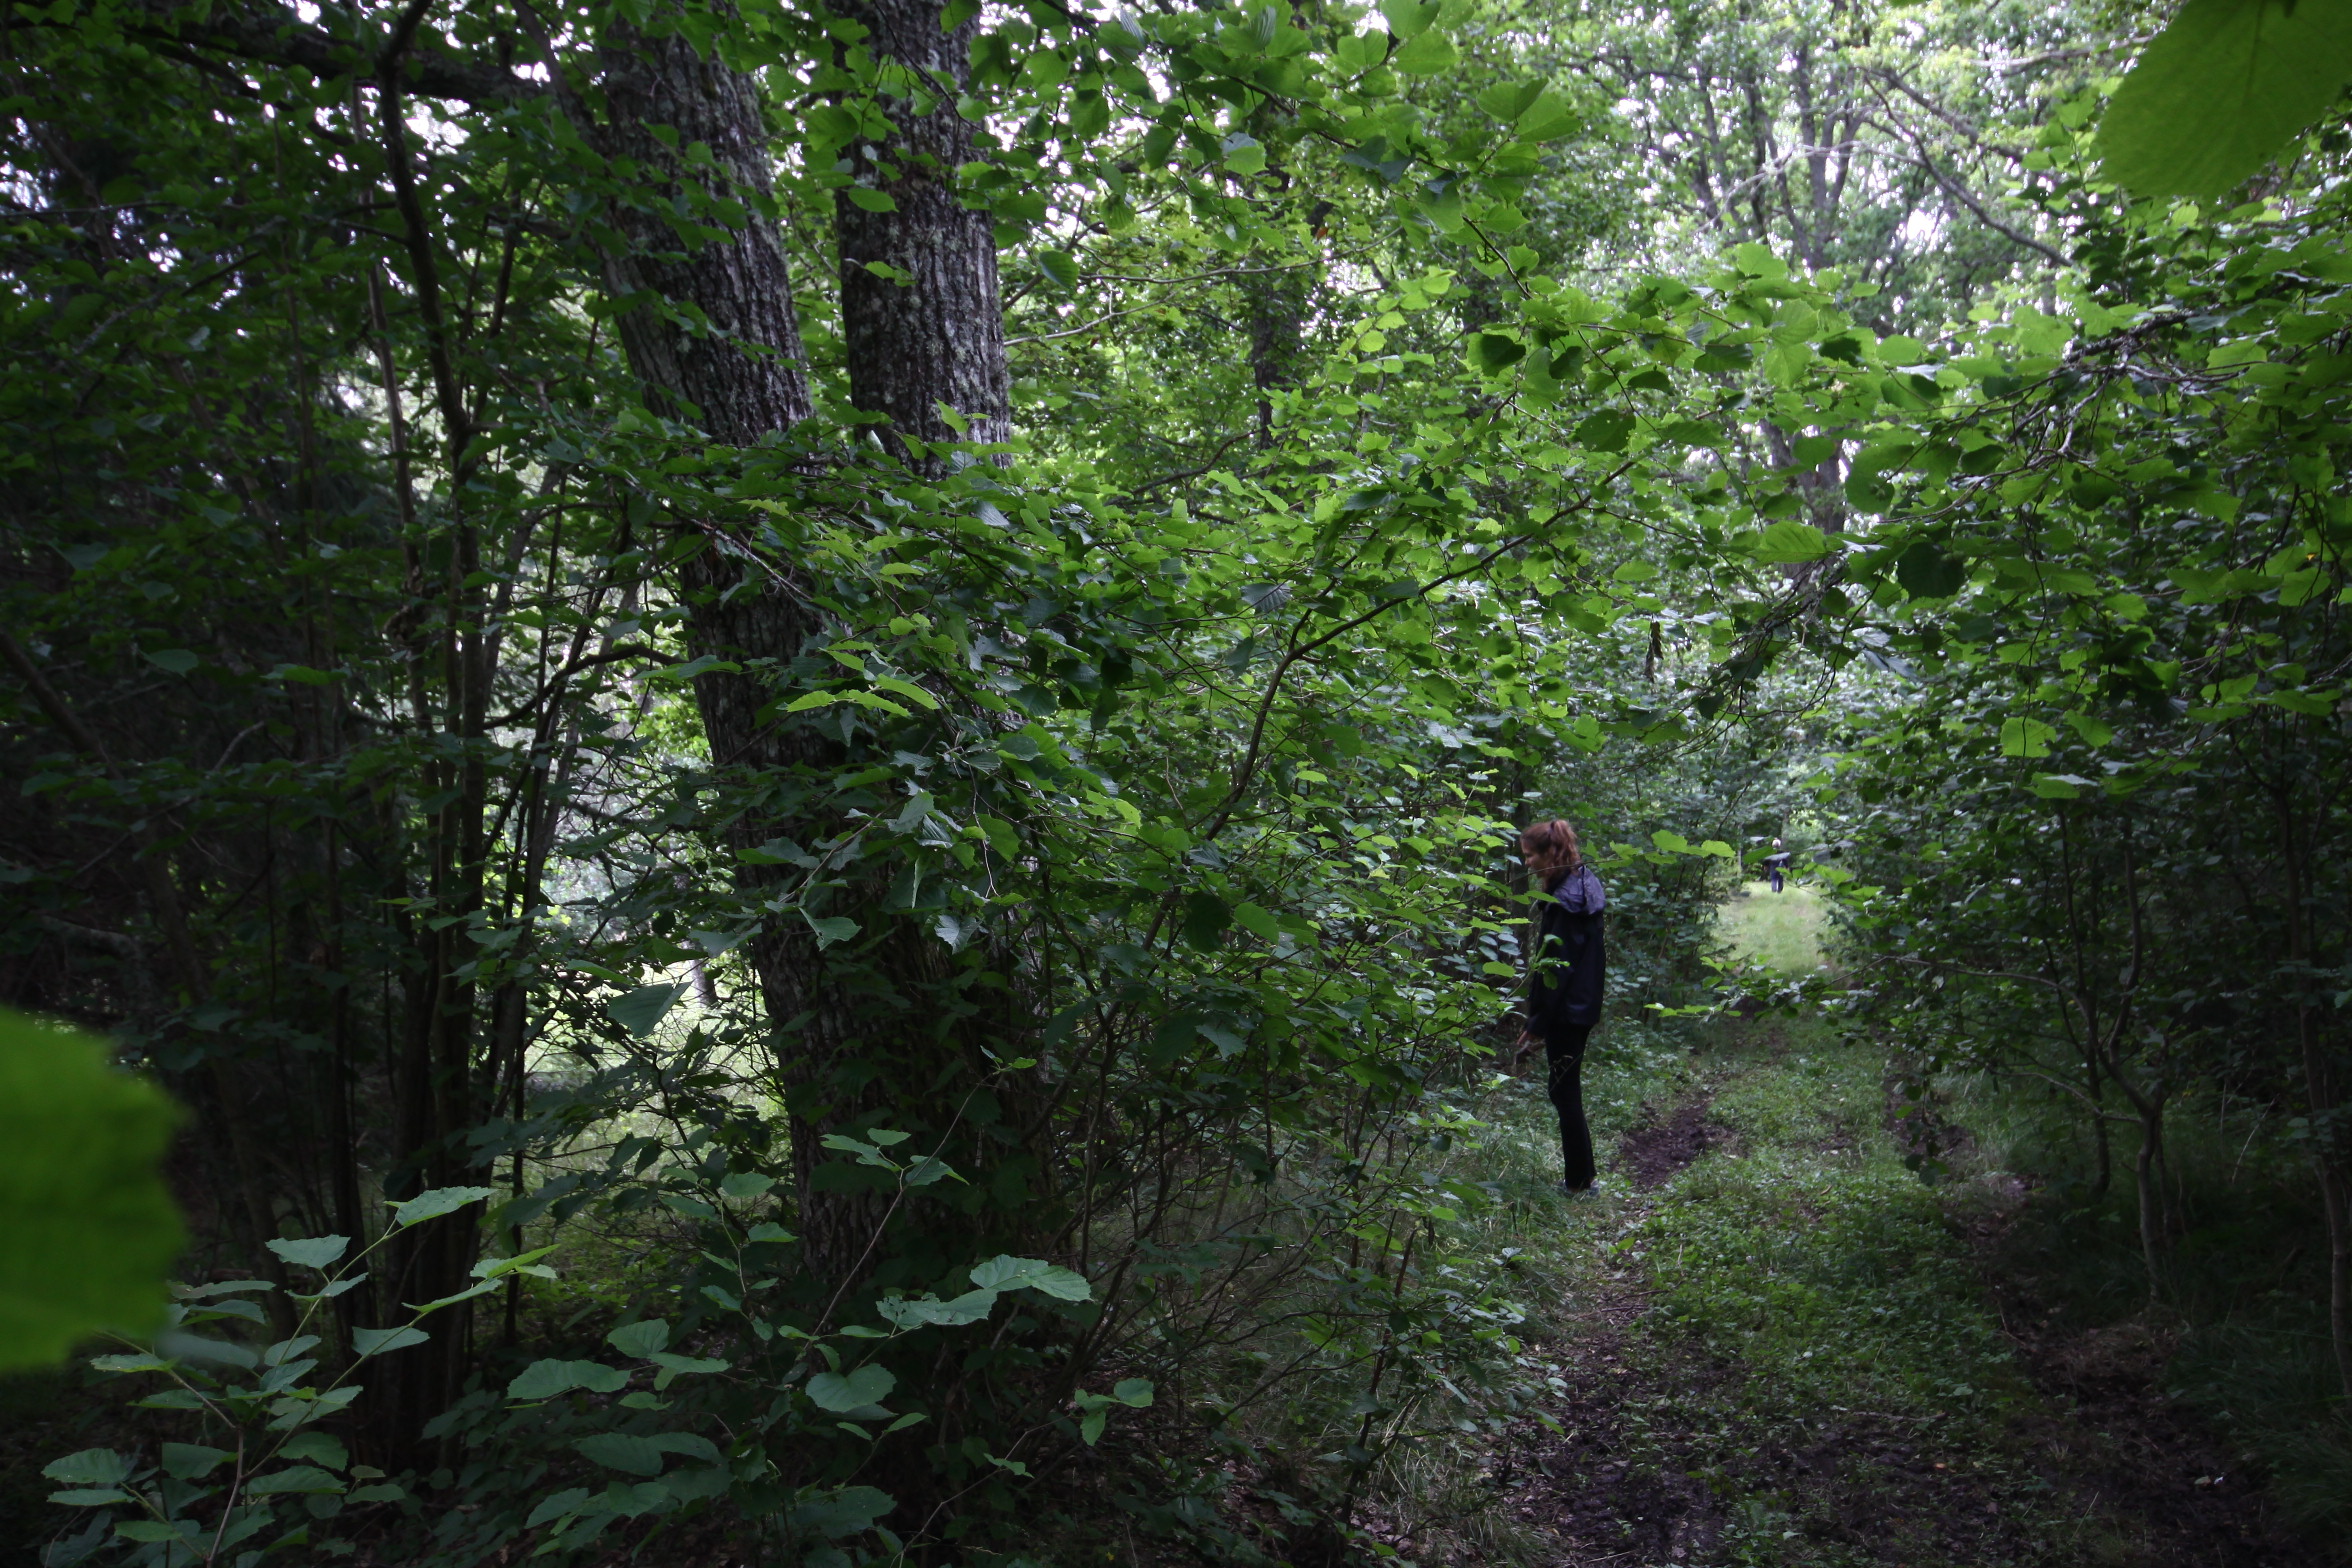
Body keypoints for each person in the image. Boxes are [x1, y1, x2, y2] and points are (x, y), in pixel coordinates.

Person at [1516, 819, 1607, 1195]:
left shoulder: (1566, 903)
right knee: (1564, 1089)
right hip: (1579, 1007)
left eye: (1530, 855)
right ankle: (1583, 1178)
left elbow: (1554, 970)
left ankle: (1580, 1182)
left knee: (1563, 1091)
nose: (1527, 863)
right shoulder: (1581, 884)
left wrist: (1536, 1024)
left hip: (1568, 1011)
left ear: (1550, 853)